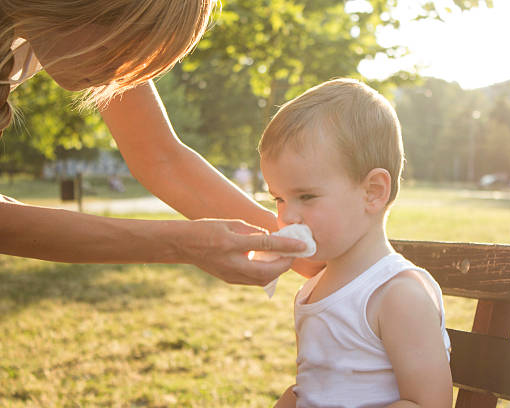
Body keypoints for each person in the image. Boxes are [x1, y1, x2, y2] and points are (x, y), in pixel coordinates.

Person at [0, 1, 320, 284]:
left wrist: (299, 248)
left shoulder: (67, 34)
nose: (117, 73)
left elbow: (160, 157)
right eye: (113, 48)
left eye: (136, 58)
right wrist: (180, 243)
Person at [258, 78, 452, 407]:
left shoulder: (398, 294)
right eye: (279, 198)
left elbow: (429, 403)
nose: (288, 216)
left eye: (306, 196)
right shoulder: (312, 290)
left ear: (373, 192)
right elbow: (313, 389)